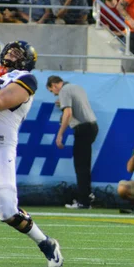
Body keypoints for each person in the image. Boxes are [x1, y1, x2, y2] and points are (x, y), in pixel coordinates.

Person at [0, 41, 64, 267]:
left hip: (0, 145)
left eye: (19, 51)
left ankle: (46, 243)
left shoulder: (26, 78)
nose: (13, 51)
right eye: (10, 48)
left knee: (6, 210)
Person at [46, 75, 99, 210]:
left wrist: (60, 134)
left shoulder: (64, 91)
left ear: (54, 85)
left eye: (53, 91)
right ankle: (87, 195)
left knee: (80, 166)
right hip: (92, 126)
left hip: (83, 129)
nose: (55, 94)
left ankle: (83, 201)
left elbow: (68, 113)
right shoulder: (76, 87)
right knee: (84, 166)